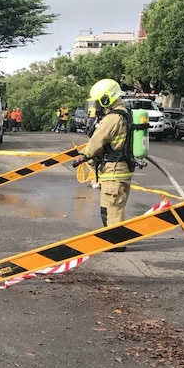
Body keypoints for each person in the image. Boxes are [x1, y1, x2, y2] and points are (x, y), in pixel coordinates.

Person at [73, 79, 133, 251]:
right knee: (113, 206)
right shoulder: (125, 113)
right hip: (121, 169)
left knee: (112, 207)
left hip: (114, 170)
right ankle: (114, 238)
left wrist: (85, 156)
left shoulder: (112, 118)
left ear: (106, 99)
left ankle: (116, 243)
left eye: (98, 101)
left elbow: (97, 141)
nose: (96, 105)